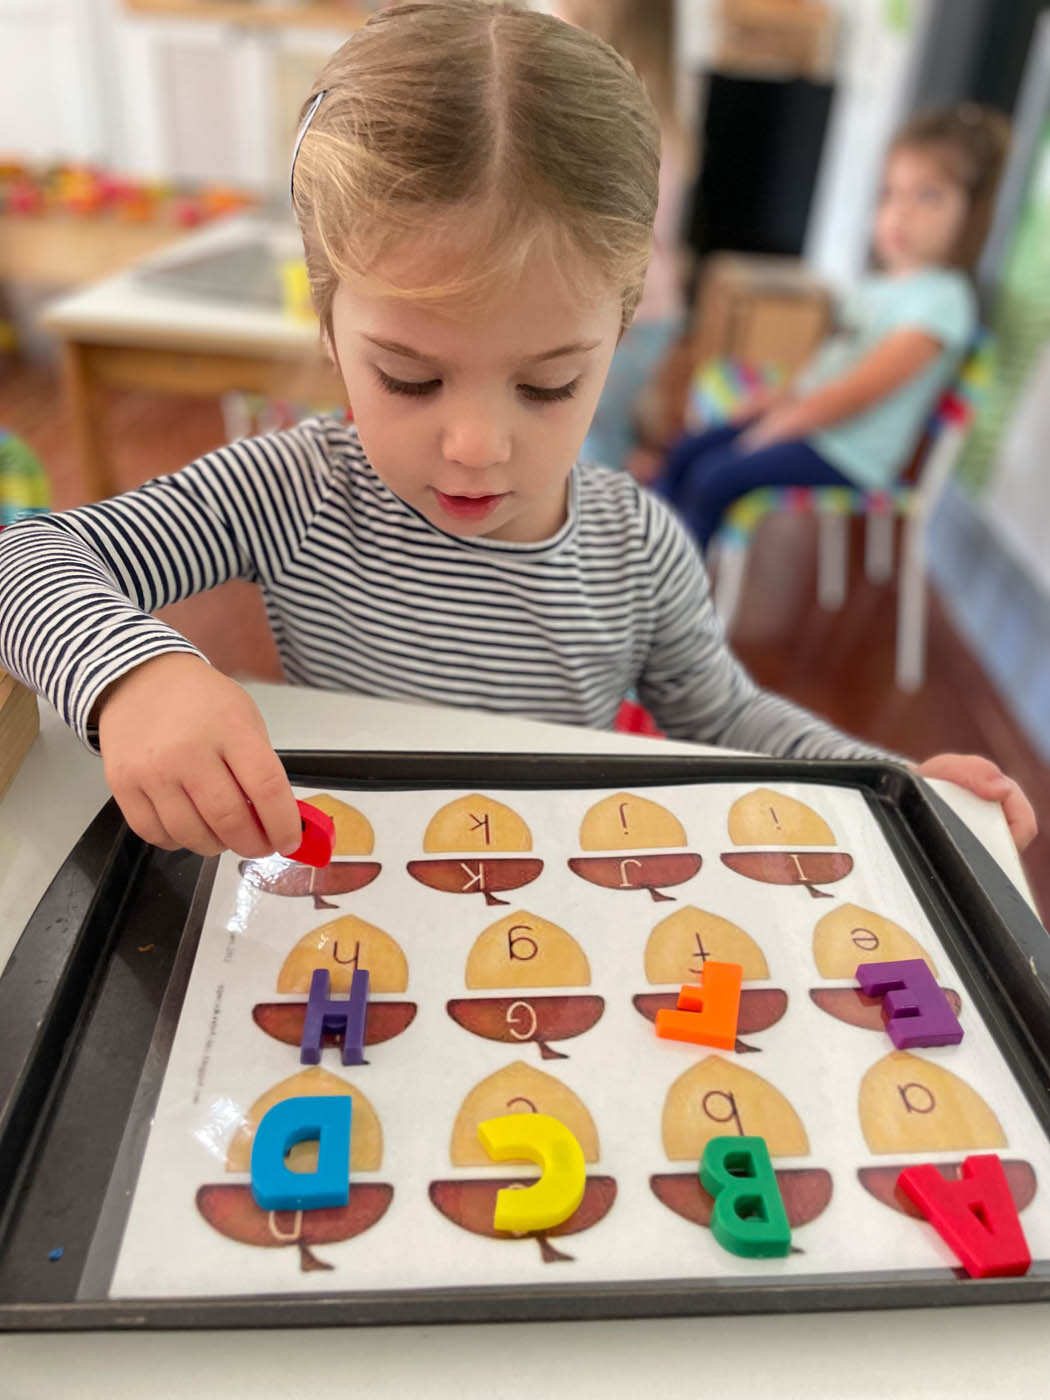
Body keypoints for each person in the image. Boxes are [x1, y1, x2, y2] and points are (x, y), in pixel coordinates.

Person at [0, 2, 1034, 859]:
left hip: (555, 889)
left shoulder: (637, 547)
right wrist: (132, 672)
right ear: (329, 322)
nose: (476, 446)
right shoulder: (295, 488)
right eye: (410, 377)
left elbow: (730, 718)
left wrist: (890, 784)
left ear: (618, 334)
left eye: (547, 385)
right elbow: (20, 551)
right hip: (345, 882)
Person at [655, 104, 1010, 549]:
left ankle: (667, 597)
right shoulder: (879, 286)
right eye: (890, 194)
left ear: (973, 212)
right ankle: (633, 558)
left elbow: (857, 393)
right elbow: (831, 367)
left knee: (715, 478)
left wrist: (780, 425)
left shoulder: (943, 301)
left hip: (847, 454)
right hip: (814, 424)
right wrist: (776, 401)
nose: (901, 213)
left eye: (928, 196)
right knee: (688, 449)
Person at [554, 0, 691, 475]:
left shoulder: (626, 118)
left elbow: (610, 239)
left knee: (583, 446)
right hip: (631, 310)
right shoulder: (653, 113)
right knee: (589, 440)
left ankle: (589, 543)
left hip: (628, 312)